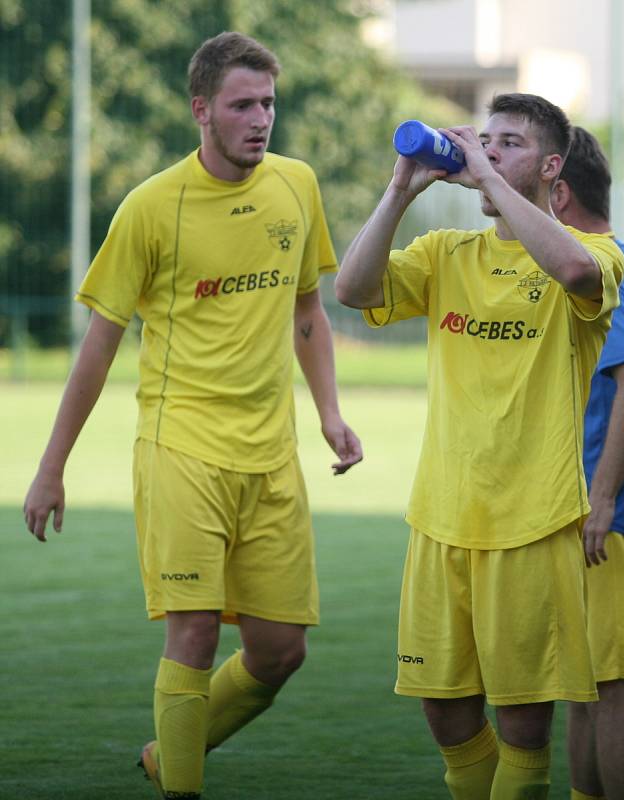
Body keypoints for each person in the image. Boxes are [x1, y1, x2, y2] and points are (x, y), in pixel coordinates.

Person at [23, 31, 362, 800]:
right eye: (243, 105)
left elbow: (307, 311)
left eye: (268, 103)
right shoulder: (150, 208)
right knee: (196, 633)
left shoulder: (297, 186)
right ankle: (183, 787)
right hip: (181, 450)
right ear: (201, 110)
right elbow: (97, 350)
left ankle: (166, 754)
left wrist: (330, 414)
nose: (260, 119)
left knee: (280, 653)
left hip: (271, 456)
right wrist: (51, 468)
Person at [335, 94, 624, 800]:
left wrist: (487, 183)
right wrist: (401, 187)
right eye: (483, 139)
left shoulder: (594, 254)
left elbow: (577, 276)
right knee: (445, 710)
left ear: (550, 166)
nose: (487, 151)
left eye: (509, 144)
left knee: (523, 724)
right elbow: (351, 288)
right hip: (440, 518)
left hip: (531, 522)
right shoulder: (445, 253)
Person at [551, 126, 624, 800]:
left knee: (610, 691)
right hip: (605, 509)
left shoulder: (601, 264)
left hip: (614, 516)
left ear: (558, 192)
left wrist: (601, 497)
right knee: (582, 689)